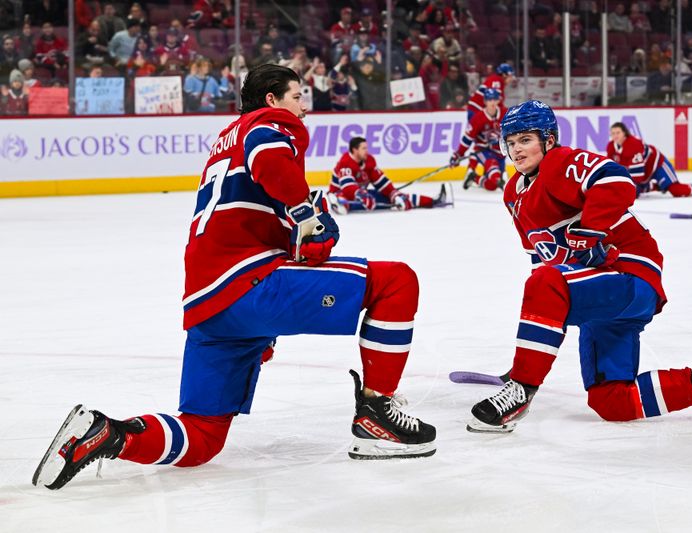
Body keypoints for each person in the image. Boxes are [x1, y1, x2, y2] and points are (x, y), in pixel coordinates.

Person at [33, 64, 437, 491]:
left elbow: (259, 206)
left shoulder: (225, 140)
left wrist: (268, 323)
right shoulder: (267, 123)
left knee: (203, 436)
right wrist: (309, 213)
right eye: (298, 96)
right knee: (397, 282)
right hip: (247, 281)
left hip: (210, 305)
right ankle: (377, 415)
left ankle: (107, 435)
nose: (304, 107)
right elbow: (270, 163)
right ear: (272, 99)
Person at [465, 99, 692, 433]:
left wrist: (591, 231)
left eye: (525, 140)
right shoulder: (513, 194)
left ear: (549, 140)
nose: (517, 150)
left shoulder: (560, 162)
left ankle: (521, 389)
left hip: (629, 274)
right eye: (510, 143)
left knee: (546, 284)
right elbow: (540, 259)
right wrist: (533, 346)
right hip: (601, 297)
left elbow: (616, 181)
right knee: (611, 401)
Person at [328, 136, 451, 214]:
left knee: (397, 197)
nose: (367, 151)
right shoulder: (345, 162)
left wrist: (393, 193)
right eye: (363, 148)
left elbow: (381, 182)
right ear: (355, 150)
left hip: (361, 194)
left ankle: (432, 201)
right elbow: (347, 187)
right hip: (342, 193)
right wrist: (361, 194)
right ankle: (339, 203)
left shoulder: (369, 161)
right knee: (349, 199)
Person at [607, 122, 692, 198]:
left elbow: (637, 176)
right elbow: (612, 169)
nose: (615, 136)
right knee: (632, 190)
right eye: (613, 133)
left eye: (618, 133)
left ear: (624, 133)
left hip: (657, 165)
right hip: (644, 171)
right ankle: (657, 186)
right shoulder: (611, 147)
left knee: (676, 190)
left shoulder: (633, 145)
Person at [464, 63, 515, 180]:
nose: (511, 78)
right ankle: (472, 167)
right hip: (476, 112)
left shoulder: (495, 80)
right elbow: (494, 99)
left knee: (484, 140)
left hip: (477, 111)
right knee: (480, 141)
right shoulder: (497, 81)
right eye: (511, 75)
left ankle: (476, 169)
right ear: (504, 74)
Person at [450, 88, 506, 191]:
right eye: (489, 100)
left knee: (492, 186)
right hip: (484, 150)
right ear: (485, 102)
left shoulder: (505, 114)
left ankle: (475, 178)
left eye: (494, 99)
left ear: (498, 100)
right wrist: (458, 154)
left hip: (500, 153)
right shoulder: (478, 118)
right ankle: (494, 177)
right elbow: (467, 139)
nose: (492, 102)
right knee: (494, 173)